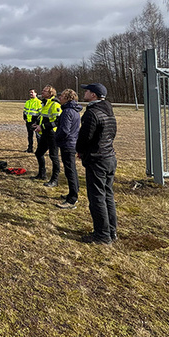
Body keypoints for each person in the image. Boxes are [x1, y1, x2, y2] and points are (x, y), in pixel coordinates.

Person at [76, 83, 118, 244]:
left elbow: (85, 136)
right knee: (108, 195)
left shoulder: (92, 113)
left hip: (97, 159)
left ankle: (102, 235)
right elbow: (111, 134)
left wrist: (80, 150)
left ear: (93, 95)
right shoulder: (109, 111)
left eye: (87, 91)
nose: (85, 93)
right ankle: (111, 231)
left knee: (97, 198)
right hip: (109, 157)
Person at [54, 89, 82, 208]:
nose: (59, 98)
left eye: (62, 96)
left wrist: (56, 138)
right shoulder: (73, 110)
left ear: (68, 98)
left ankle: (72, 199)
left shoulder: (67, 111)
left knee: (69, 170)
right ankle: (73, 192)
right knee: (71, 169)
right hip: (71, 143)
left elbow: (65, 130)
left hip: (68, 144)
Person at [33, 85, 62, 186]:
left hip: (53, 134)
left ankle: (55, 180)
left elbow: (58, 121)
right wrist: (37, 123)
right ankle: (42, 174)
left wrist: (43, 126)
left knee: (53, 157)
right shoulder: (44, 103)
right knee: (39, 153)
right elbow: (42, 116)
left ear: (50, 93)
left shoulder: (55, 104)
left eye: (44, 91)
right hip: (45, 133)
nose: (42, 92)